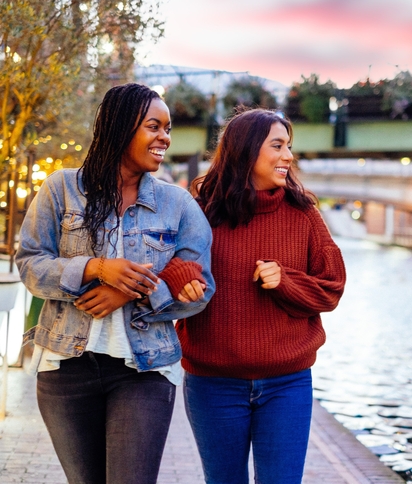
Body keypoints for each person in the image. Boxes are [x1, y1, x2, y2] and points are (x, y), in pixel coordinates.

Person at [15, 83, 215, 484]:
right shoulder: (62, 188)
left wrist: (129, 290)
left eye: (168, 128)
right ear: (121, 128)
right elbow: (30, 264)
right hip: (65, 367)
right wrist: (95, 269)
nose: (165, 138)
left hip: (143, 371)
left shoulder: (178, 205)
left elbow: (200, 286)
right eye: (153, 126)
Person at [160, 108, 346, 484]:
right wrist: (180, 275)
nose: (288, 156)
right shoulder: (200, 212)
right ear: (246, 151)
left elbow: (332, 288)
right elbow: (163, 267)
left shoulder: (304, 214)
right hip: (213, 383)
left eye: (289, 146)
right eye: (277, 145)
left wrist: (286, 282)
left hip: (287, 384)